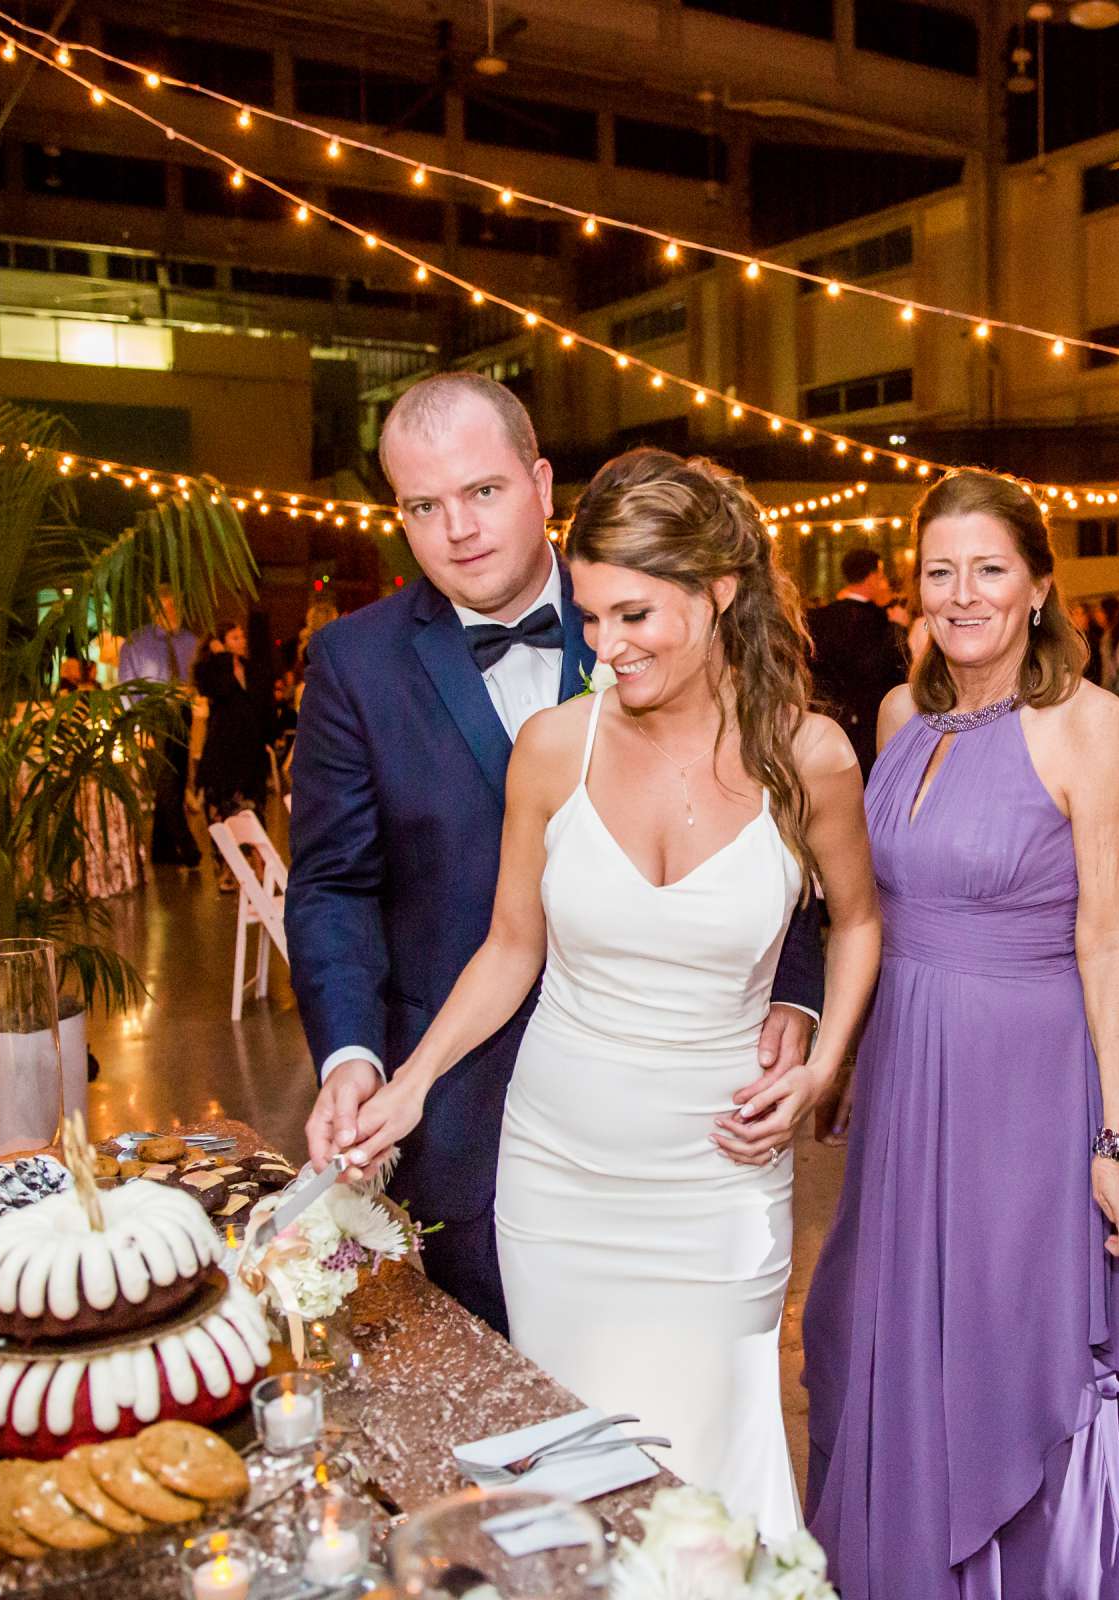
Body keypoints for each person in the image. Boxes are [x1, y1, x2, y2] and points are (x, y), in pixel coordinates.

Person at [340, 448, 878, 1537]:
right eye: (588, 618)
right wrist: (413, 1080)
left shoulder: (809, 756)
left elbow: (860, 922)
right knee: (575, 1488)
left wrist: (823, 1060)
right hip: (558, 1179)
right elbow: (507, 947)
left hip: (717, 1182)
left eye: (634, 615)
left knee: (714, 1477)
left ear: (720, 590)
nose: (605, 647)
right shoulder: (551, 750)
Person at [290, 375, 827, 1335]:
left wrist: (794, 986)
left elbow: (783, 822)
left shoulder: (659, 613)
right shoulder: (354, 663)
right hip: (458, 1113)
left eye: (484, 491)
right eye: (424, 505)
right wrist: (353, 1053)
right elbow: (333, 884)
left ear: (541, 483)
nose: (458, 527)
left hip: (684, 1121)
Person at [803, 470, 1119, 1598]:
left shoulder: (1091, 726)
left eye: (990, 569)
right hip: (909, 1070)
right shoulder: (902, 716)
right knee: (878, 1332)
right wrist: (840, 1051)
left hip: (1024, 1086)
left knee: (1005, 1351)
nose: (963, 595)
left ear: (1041, 585)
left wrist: (1117, 1141)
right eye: (941, 571)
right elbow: (870, 912)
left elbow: (1109, 942)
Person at [118, 586, 203, 867]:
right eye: (161, 605)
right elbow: (126, 687)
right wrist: (136, 724)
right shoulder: (136, 643)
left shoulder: (190, 641)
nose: (168, 610)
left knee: (176, 782)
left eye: (171, 604)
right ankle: (187, 845)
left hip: (182, 714)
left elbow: (198, 679)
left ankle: (161, 851)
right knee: (165, 781)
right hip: (152, 715)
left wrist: (192, 693)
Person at [807, 547, 910, 776]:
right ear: (872, 577)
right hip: (869, 723)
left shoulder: (821, 617)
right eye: (881, 576)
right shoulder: (877, 620)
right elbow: (882, 666)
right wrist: (898, 629)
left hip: (833, 720)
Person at [191, 617, 276, 889]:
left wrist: (267, 739)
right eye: (235, 638)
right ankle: (227, 870)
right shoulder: (211, 670)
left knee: (254, 809)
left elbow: (265, 706)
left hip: (251, 749)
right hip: (223, 749)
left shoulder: (255, 670)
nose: (242, 642)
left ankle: (259, 868)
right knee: (224, 810)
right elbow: (223, 691)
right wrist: (222, 659)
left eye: (242, 637)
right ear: (221, 642)